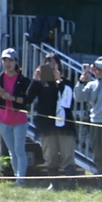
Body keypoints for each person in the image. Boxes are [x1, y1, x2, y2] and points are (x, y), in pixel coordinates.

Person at [25, 52, 77, 190]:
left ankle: (71, 184)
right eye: (47, 64)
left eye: (53, 64)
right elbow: (28, 99)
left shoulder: (66, 82)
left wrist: (59, 81)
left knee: (67, 156)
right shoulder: (40, 84)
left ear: (59, 66)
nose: (51, 67)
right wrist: (35, 80)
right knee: (50, 156)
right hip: (46, 125)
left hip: (65, 126)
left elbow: (68, 103)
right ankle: (54, 184)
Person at [75, 56, 102, 191]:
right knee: (98, 157)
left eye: (100, 69)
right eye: (97, 69)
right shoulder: (92, 85)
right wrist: (81, 81)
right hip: (95, 123)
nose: (98, 71)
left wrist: (95, 64)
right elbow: (78, 97)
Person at [0, 48, 31, 187]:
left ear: (16, 62)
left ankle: (21, 180)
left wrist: (12, 97)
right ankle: (17, 178)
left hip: (19, 119)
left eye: (10, 60)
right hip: (3, 119)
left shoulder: (23, 80)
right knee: (12, 151)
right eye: (4, 60)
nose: (7, 63)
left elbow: (27, 100)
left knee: (19, 150)